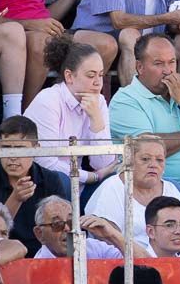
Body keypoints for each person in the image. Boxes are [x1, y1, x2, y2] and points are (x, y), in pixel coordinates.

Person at [108, 33, 180, 194]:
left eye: (172, 62)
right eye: (159, 64)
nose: (168, 71)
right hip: (153, 189)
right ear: (140, 67)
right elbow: (146, 149)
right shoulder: (125, 100)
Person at [0, 115, 71, 257]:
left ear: (36, 149)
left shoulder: (50, 179)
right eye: (6, 148)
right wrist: (15, 199)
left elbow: (62, 228)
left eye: (20, 149)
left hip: (42, 256)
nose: (13, 157)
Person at [22, 36, 118, 184]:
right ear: (69, 76)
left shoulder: (98, 102)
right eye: (90, 75)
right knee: (62, 180)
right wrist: (91, 177)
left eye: (101, 75)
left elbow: (104, 164)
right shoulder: (48, 100)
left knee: (115, 181)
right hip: (43, 183)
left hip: (78, 184)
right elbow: (46, 161)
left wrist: (96, 119)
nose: (98, 82)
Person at [84, 135, 180, 249]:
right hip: (123, 261)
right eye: (145, 159)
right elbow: (108, 239)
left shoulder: (170, 188)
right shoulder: (112, 187)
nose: (153, 165)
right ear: (129, 160)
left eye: (159, 160)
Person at [31, 195, 141, 259]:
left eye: (71, 222)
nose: (67, 229)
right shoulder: (37, 265)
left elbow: (146, 265)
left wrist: (112, 235)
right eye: (57, 224)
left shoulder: (94, 248)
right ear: (40, 234)